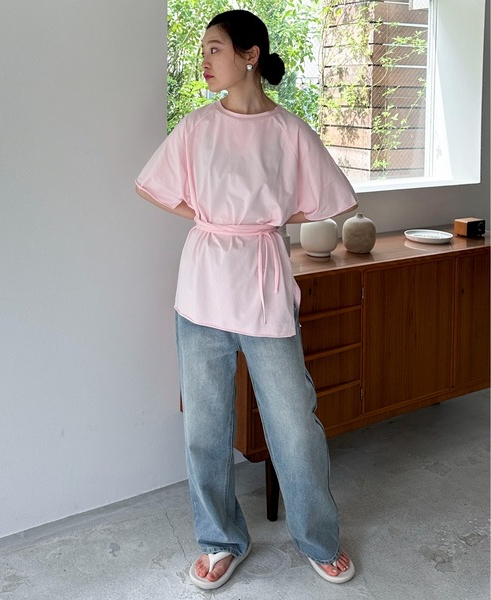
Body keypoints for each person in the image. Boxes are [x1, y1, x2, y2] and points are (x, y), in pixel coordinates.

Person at [135, 9, 358, 590]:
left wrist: (263, 221)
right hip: (202, 286)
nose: (204, 61)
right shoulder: (197, 127)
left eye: (214, 48)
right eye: (203, 51)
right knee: (205, 426)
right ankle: (219, 539)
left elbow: (332, 198)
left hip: (263, 280)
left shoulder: (289, 131)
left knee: (294, 423)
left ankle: (318, 537)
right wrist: (212, 217)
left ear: (250, 55)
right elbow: (154, 184)